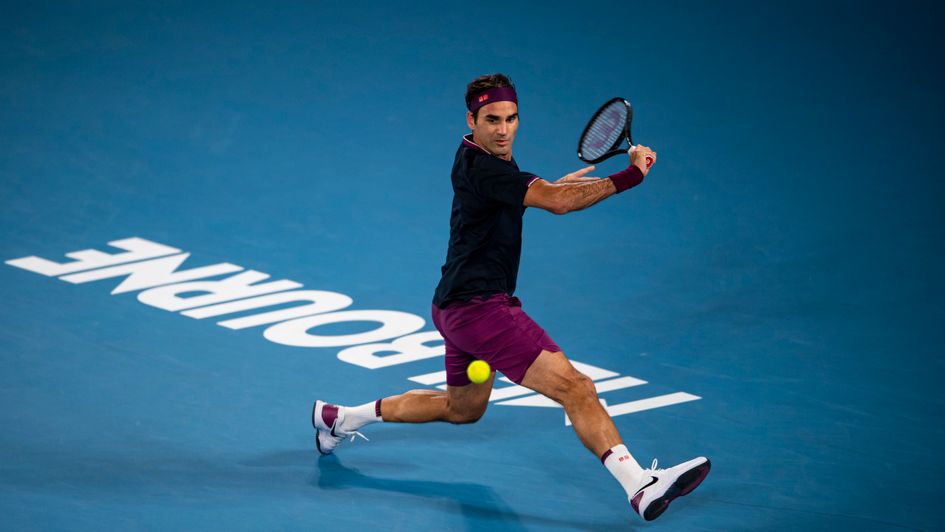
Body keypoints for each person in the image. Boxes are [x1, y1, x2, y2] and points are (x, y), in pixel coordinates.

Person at [312, 73, 710, 521]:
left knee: (461, 409)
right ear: (472, 120)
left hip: (450, 308)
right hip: (482, 309)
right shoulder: (486, 167)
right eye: (492, 120)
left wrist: (550, 189)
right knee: (577, 388)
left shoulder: (478, 159)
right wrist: (632, 174)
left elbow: (529, 194)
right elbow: (557, 203)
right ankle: (639, 484)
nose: (503, 129)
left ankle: (340, 417)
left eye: (511, 118)